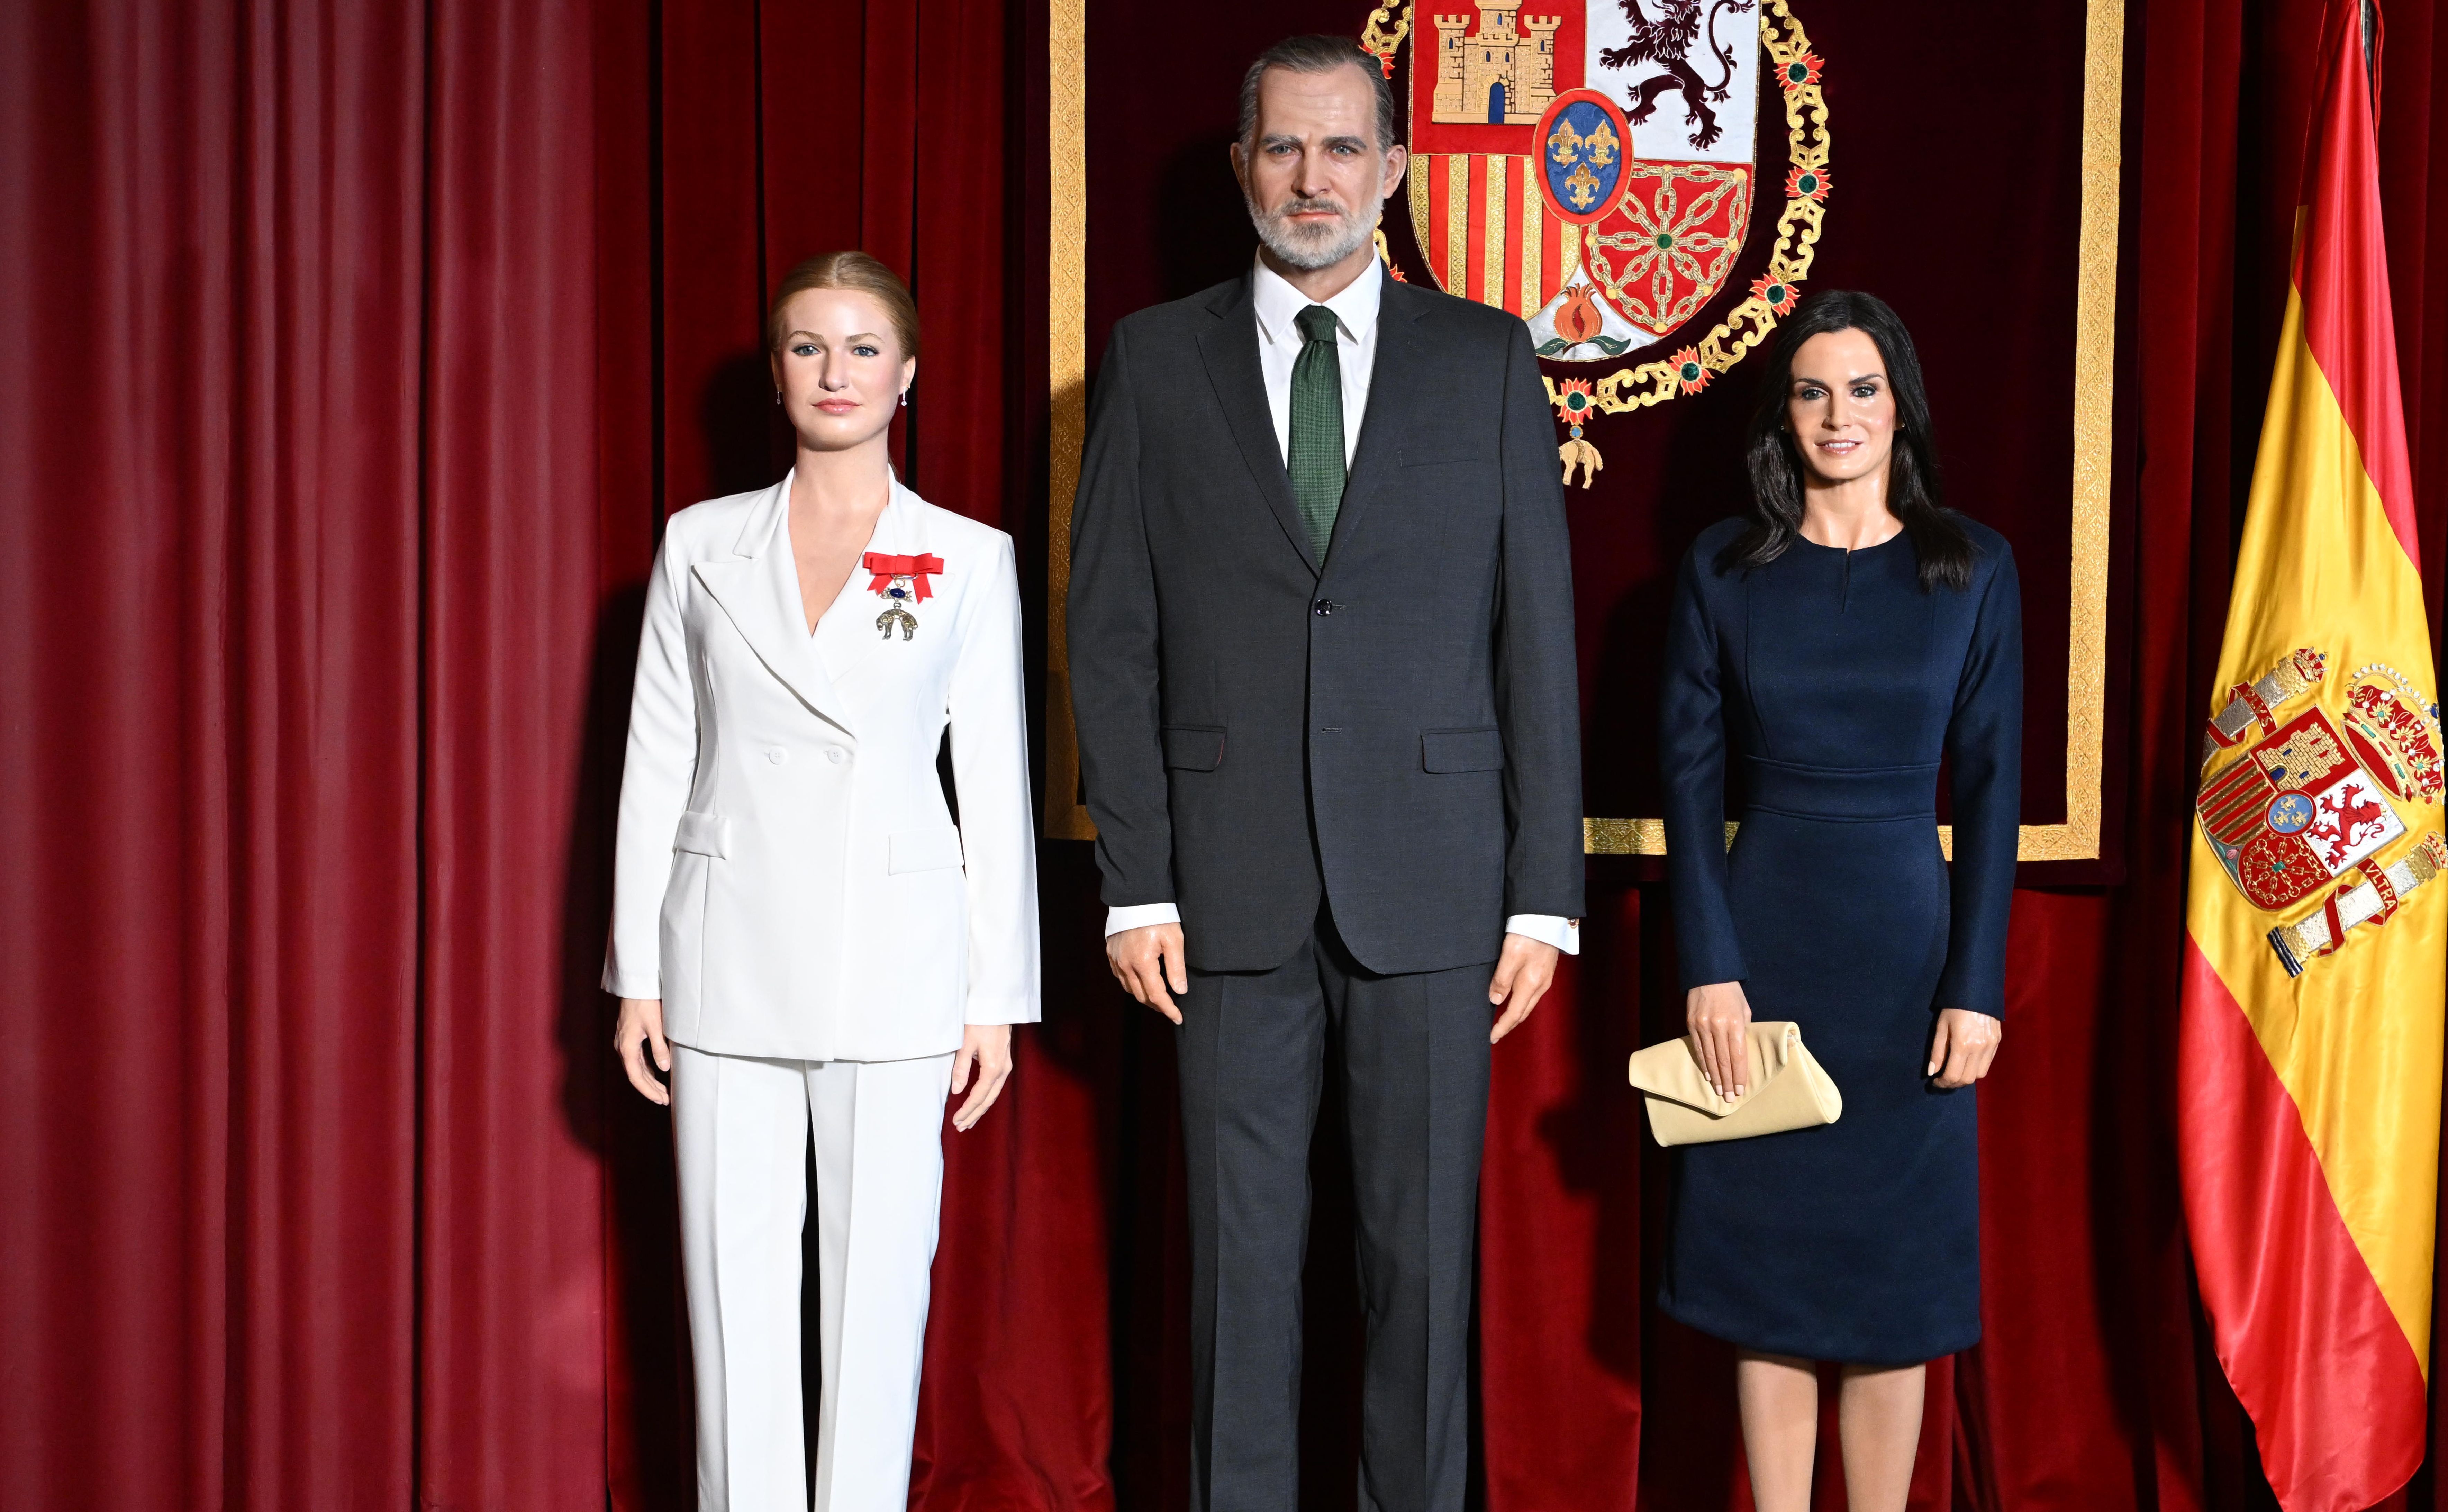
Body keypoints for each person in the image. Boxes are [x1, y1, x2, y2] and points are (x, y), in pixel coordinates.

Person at [1066, 35, 1583, 1512]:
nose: (1314, 179)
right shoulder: (1152, 359)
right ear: (1243, 166)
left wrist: (1542, 893)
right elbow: (1110, 635)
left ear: (1394, 171)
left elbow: (1533, 636)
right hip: (1219, 893)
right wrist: (1136, 880)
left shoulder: (1485, 358)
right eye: (1285, 148)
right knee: (1237, 1275)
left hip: (1435, 887)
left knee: (1419, 1272)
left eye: (1344, 149)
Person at [604, 250, 1039, 1511]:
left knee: (876, 1311)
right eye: (808, 346)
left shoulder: (969, 555)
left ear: (907, 375)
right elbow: (656, 759)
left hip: (899, 966)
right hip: (722, 955)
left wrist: (995, 995)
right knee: (732, 1312)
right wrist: (638, 972)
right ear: (776, 371)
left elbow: (995, 781)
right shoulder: (700, 544)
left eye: (862, 348)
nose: (834, 372)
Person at [1658, 290, 2021, 1512]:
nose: (1838, 414)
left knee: (1892, 1289)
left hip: (1910, 964)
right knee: (1767, 1279)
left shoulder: (1972, 566)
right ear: (1784, 414)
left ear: (1900, 406)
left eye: (1862, 388)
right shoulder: (1722, 566)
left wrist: (1977, 987)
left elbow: (1991, 788)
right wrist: (1711, 966)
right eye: (1813, 391)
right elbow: (1688, 783)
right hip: (1762, 949)